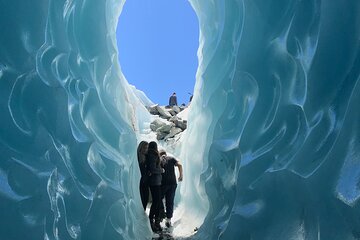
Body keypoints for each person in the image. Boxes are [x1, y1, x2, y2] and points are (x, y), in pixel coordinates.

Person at [159, 150, 183, 228]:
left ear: (160, 154)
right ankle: (168, 219)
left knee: (159, 199)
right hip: (172, 183)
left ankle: (161, 214)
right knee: (170, 201)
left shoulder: (159, 160)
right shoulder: (171, 158)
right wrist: (180, 175)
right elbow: (179, 164)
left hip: (163, 184)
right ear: (165, 154)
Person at [146, 141, 164, 232]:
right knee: (156, 201)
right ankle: (152, 220)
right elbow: (153, 169)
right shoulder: (152, 155)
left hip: (156, 182)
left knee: (157, 201)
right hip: (155, 182)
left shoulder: (151, 154)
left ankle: (155, 221)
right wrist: (161, 170)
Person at [137, 141, 149, 210]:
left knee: (146, 197)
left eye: (147, 148)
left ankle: (143, 211)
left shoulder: (146, 156)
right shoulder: (137, 156)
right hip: (139, 181)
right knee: (141, 197)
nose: (146, 149)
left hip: (145, 180)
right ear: (141, 148)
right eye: (145, 148)